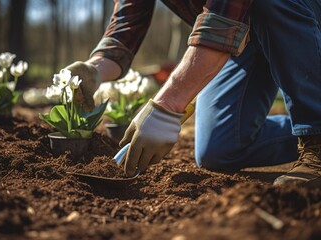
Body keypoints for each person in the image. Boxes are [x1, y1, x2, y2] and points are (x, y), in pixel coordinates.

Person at [66, 0, 321, 186]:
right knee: (220, 149)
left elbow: (224, 16)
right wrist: (94, 70)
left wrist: (168, 104)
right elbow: (126, 26)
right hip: (243, 36)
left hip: (297, 16)